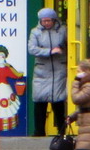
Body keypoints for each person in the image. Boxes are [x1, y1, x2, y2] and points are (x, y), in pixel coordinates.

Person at [28, 7, 67, 136]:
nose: (46, 23)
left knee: (58, 102)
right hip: (42, 72)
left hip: (58, 70)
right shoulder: (35, 32)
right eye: (43, 21)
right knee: (40, 102)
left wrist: (61, 48)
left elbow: (68, 43)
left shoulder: (62, 30)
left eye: (48, 20)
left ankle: (61, 131)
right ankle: (39, 132)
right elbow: (32, 49)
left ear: (54, 19)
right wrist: (49, 52)